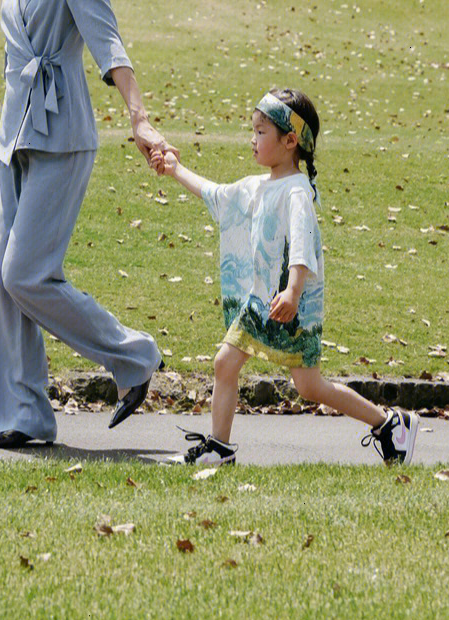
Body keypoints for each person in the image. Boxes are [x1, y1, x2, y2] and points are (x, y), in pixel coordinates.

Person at [0, 0, 169, 449]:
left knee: (26, 273)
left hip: (62, 136)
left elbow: (108, 44)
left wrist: (139, 120)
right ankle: (23, 417)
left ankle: (134, 357)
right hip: (14, 135)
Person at [152, 87, 418, 467]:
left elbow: (303, 247)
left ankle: (390, 424)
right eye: (253, 130)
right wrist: (174, 168)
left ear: (290, 140)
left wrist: (293, 291)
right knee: (225, 362)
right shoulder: (256, 187)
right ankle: (219, 448)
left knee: (309, 387)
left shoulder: (296, 193)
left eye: (261, 132)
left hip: (290, 304)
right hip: (261, 301)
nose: (253, 139)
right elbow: (214, 194)